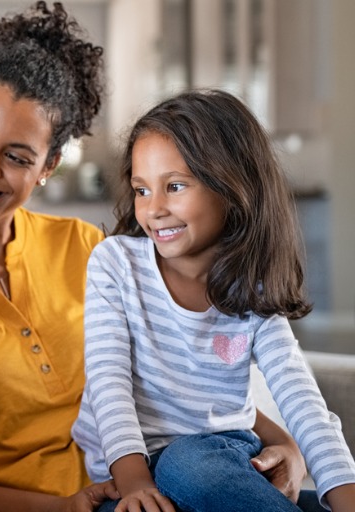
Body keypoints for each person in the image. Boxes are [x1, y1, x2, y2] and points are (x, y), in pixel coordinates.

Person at [0, 3, 309, 511]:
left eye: (17, 156)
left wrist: (286, 442)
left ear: (49, 165)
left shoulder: (86, 248)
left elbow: (185, 374)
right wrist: (63, 506)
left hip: (154, 487)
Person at [70, 89, 355, 512]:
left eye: (176, 186)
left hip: (220, 460)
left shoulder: (252, 290)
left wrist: (345, 493)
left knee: (189, 464)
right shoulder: (115, 265)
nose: (154, 209)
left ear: (232, 187)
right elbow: (108, 383)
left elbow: (302, 400)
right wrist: (133, 483)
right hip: (131, 473)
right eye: (142, 190)